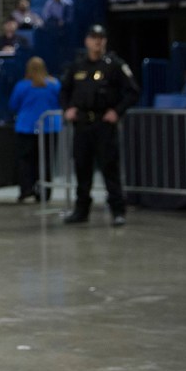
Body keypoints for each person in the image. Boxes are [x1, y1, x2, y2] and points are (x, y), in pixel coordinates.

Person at [60, 25, 139, 226]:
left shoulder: (114, 65)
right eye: (94, 38)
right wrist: (67, 109)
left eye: (101, 38)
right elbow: (64, 91)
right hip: (82, 124)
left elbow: (132, 92)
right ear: (87, 41)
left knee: (109, 168)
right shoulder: (77, 66)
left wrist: (117, 111)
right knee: (82, 168)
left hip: (104, 124)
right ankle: (81, 210)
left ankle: (118, 210)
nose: (98, 42)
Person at [8, 57, 61, 203]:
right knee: (46, 161)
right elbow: (61, 102)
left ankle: (26, 190)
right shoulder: (54, 85)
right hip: (49, 128)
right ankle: (45, 192)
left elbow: (13, 104)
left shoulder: (22, 86)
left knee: (26, 161)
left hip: (27, 127)